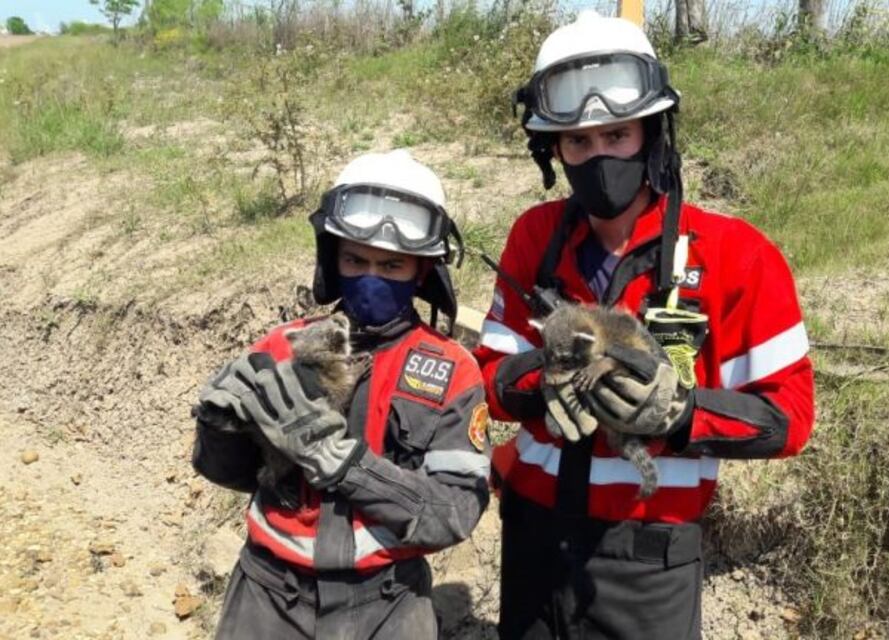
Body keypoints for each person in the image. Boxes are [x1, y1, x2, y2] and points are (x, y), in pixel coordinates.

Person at [474, 11, 815, 639]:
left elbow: (789, 418)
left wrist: (680, 415)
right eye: (578, 141)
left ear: (653, 134)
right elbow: (489, 384)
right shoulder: (534, 236)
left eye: (618, 135)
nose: (597, 155)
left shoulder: (737, 254)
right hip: (531, 537)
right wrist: (538, 381)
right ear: (555, 149)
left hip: (649, 555)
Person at [192, 150, 491, 639]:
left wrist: (349, 467)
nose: (371, 275)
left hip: (388, 601)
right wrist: (218, 425)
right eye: (356, 259)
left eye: (391, 265)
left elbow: (454, 513)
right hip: (268, 594)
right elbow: (228, 472)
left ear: (422, 270)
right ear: (334, 257)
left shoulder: (452, 369)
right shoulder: (283, 343)